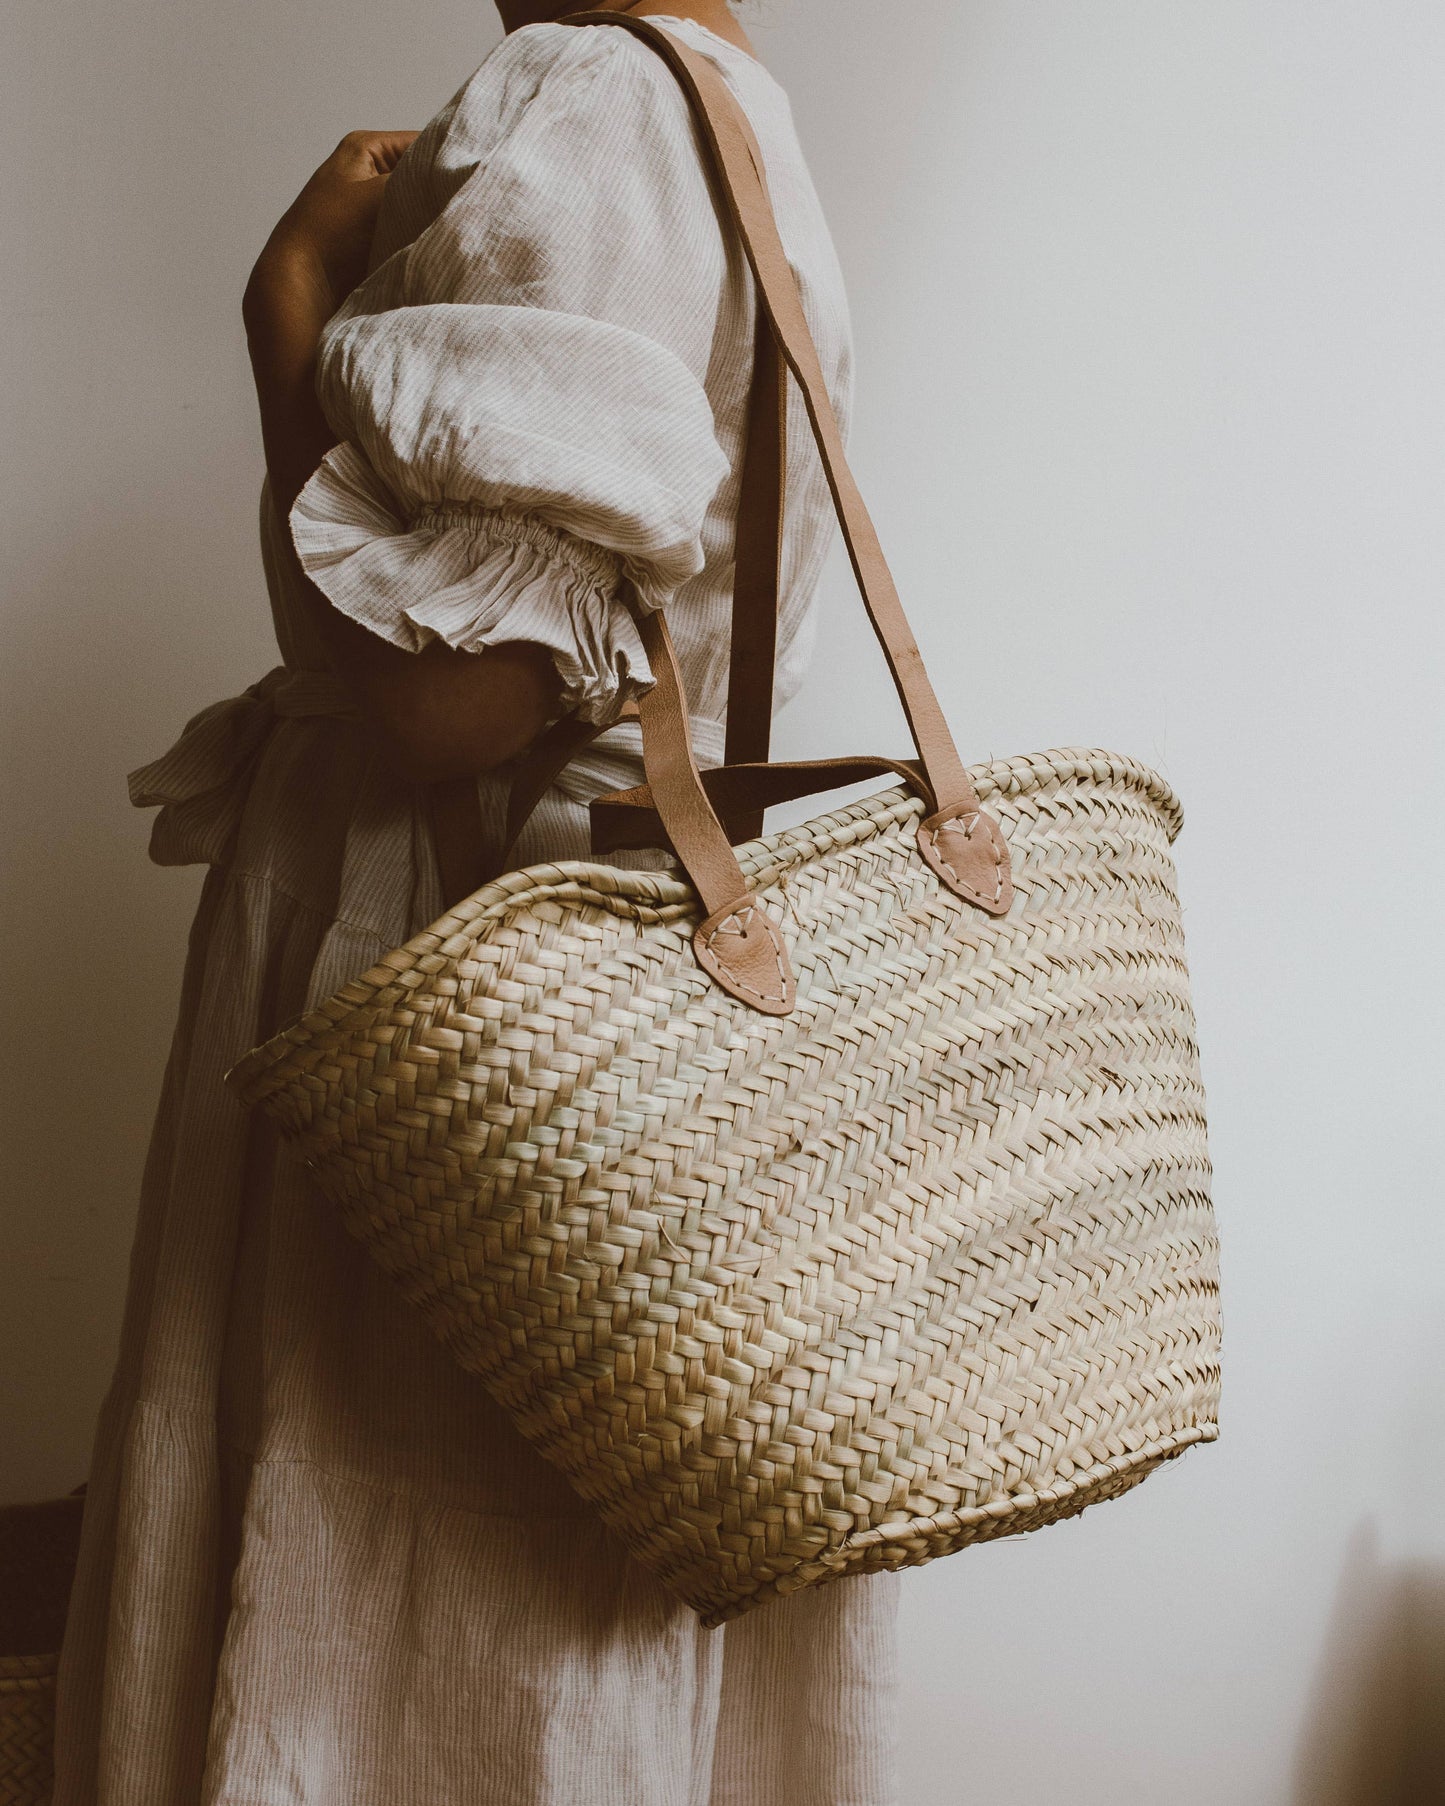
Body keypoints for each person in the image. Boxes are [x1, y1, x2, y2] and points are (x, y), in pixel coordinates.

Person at [54, 2, 901, 1800]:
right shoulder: (742, 111)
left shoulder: (585, 94)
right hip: (625, 985)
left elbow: (451, 710)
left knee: (383, 1606)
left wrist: (287, 314)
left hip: (458, 972)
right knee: (555, 1634)